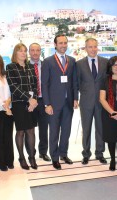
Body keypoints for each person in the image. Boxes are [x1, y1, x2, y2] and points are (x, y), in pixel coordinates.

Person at [41, 34, 79, 170]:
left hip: (68, 103)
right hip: (53, 104)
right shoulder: (48, 61)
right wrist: (47, 104)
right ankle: (55, 157)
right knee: (54, 132)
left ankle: (63, 153)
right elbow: (44, 84)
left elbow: (75, 81)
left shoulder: (72, 61)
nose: (63, 45)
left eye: (65, 43)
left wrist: (75, 98)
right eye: (60, 43)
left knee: (66, 131)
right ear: (55, 45)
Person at [6, 43, 38, 170]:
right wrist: (29, 98)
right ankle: (21, 157)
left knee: (31, 130)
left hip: (32, 104)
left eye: (25, 51)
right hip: (19, 104)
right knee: (20, 131)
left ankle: (31, 156)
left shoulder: (30, 67)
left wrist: (34, 100)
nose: (23, 53)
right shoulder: (10, 67)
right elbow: (13, 87)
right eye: (20, 51)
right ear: (15, 53)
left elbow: (35, 84)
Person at [77, 38, 108, 165]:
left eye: (95, 46)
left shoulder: (105, 62)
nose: (93, 49)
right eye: (90, 47)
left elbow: (107, 82)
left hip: (101, 102)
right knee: (86, 128)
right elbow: (77, 83)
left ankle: (100, 153)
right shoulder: (79, 64)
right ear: (85, 48)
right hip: (86, 102)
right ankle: (86, 153)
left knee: (101, 128)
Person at [28, 43, 51, 162]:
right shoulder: (25, 66)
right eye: (32, 50)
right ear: (29, 52)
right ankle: (31, 153)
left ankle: (43, 152)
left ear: (40, 51)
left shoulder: (46, 65)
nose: (35, 53)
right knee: (30, 129)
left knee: (43, 128)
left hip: (44, 101)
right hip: (30, 101)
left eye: (37, 50)